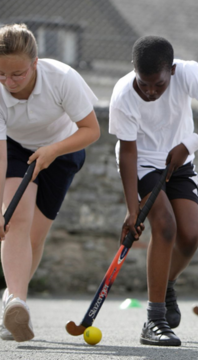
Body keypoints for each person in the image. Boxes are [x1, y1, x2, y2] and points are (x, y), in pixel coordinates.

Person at [108, 36, 198, 346]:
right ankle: (154, 319)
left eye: (159, 85)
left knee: (190, 237)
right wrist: (132, 208)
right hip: (143, 164)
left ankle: (166, 285)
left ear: (172, 71)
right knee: (165, 227)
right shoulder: (124, 94)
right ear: (134, 72)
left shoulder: (188, 74)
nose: (151, 92)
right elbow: (127, 153)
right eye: (144, 84)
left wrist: (190, 143)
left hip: (180, 160)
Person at [0, 24, 100, 342]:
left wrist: (53, 150)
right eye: (1, 74)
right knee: (15, 219)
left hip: (64, 146)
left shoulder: (63, 78)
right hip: (16, 149)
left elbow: (91, 130)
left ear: (35, 62)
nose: (8, 82)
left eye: (17, 74)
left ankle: (8, 301)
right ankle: (17, 302)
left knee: (34, 237)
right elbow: (0, 153)